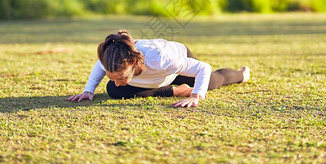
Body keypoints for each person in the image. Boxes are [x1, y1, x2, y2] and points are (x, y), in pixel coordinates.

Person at [67, 30, 250, 107]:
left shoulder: (162, 59)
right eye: (112, 75)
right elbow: (99, 68)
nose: (117, 80)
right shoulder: (111, 57)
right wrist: (88, 91)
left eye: (121, 76)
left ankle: (242, 75)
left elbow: (203, 67)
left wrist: (195, 95)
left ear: (132, 64)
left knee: (212, 81)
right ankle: (177, 91)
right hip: (156, 78)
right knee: (114, 90)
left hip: (175, 65)